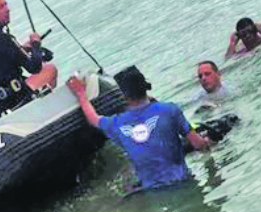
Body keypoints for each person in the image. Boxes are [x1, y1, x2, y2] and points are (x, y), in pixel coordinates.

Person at [67, 66, 211, 191]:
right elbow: (198, 144)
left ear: (124, 96)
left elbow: (93, 119)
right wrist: (206, 142)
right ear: (146, 87)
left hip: (152, 191)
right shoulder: (170, 110)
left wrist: (80, 94)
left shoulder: (117, 124)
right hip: (183, 182)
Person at [0, 0, 58, 118]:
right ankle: (49, 112)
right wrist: (36, 45)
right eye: (1, 7)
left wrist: (21, 48)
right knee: (49, 69)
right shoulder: (2, 38)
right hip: (12, 99)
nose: (7, 10)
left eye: (6, 4)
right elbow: (34, 68)